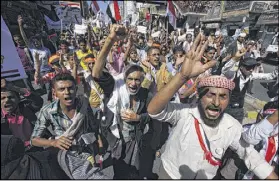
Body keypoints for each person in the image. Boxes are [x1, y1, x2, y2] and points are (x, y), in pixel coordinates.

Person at [147, 33, 278, 179]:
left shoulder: (231, 126)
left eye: (223, 97)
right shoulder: (185, 113)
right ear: (200, 96)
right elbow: (154, 110)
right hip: (170, 175)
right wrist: (182, 77)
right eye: (210, 95)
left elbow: (252, 157)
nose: (216, 103)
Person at [91, 24, 158, 179]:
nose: (133, 83)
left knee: (135, 174)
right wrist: (111, 39)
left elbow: (153, 114)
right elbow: (96, 73)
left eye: (137, 80)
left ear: (142, 81)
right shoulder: (115, 87)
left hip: (138, 142)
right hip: (117, 142)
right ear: (124, 79)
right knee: (120, 174)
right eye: (130, 79)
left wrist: (139, 118)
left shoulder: (145, 94)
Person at [30, 73, 108, 179]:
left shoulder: (84, 104)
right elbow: (34, 140)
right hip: (67, 156)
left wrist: (99, 142)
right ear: (55, 93)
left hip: (88, 152)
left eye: (70, 88)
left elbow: (93, 126)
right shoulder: (48, 111)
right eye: (61, 89)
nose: (67, 93)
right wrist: (53, 142)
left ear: (76, 89)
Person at [222, 57, 278, 123]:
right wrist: (234, 58)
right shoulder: (233, 75)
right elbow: (224, 70)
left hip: (239, 109)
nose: (251, 70)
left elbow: (270, 76)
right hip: (228, 107)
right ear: (241, 67)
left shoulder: (251, 76)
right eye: (248, 68)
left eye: (253, 67)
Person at [1, 79, 43, 149]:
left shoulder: (25, 108)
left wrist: (12, 87)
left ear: (18, 99)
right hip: (14, 153)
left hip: (34, 147)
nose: (7, 100)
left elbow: (38, 101)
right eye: (2, 98)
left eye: (11, 97)